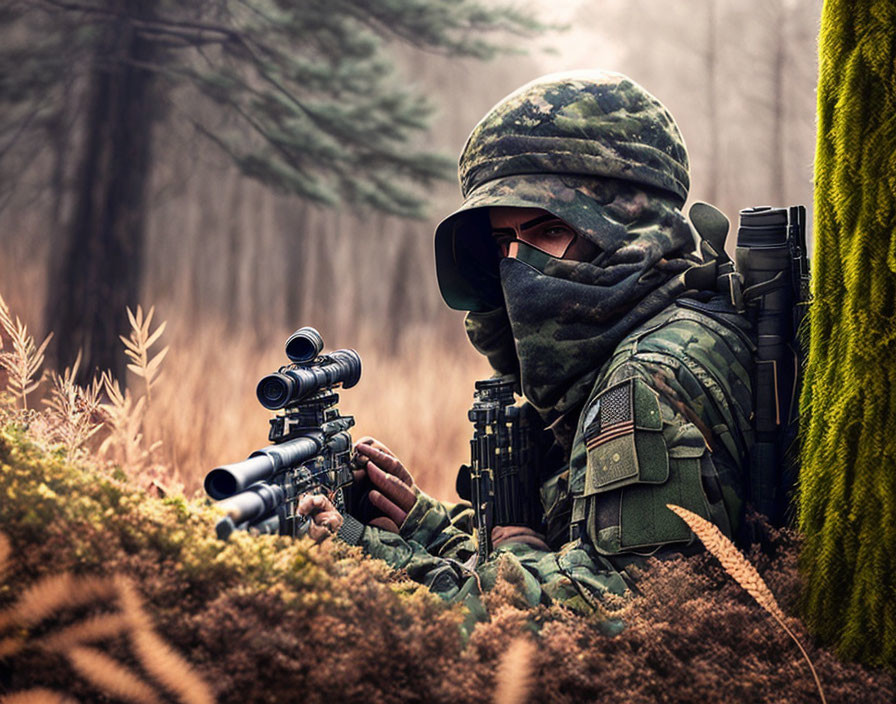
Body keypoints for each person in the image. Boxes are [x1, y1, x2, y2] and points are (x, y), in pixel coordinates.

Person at [298, 70, 755, 620]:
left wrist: (369, 558)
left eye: (547, 232)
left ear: (623, 229)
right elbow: (575, 553)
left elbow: (612, 624)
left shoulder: (643, 381)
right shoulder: (662, 336)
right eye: (502, 243)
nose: (518, 268)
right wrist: (426, 530)